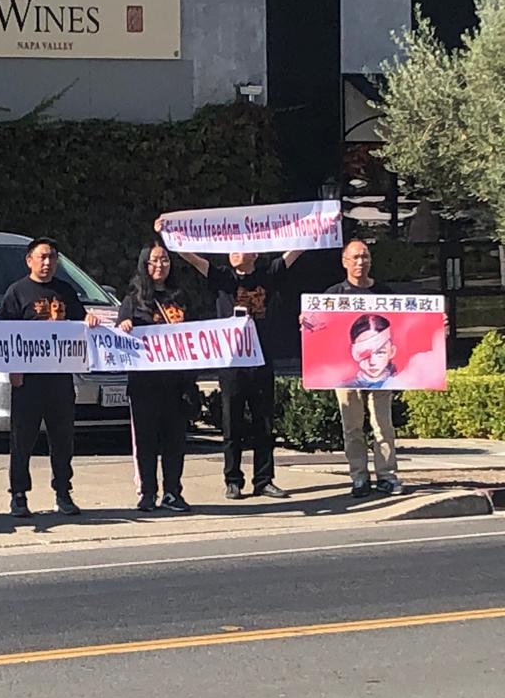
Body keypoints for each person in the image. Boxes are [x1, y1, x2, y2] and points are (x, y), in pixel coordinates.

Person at [156, 216, 301, 500]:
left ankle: (264, 479)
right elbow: (193, 259)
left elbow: (295, 251)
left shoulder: (268, 274)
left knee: (264, 422)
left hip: (261, 361)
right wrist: (168, 235)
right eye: (232, 248)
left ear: (255, 253)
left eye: (242, 247)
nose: (235, 252)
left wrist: (319, 225)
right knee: (232, 423)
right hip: (232, 363)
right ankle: (233, 479)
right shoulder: (223, 278)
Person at [0, 237, 104, 518]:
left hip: (60, 380)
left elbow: (81, 325)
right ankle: (19, 495)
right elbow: (1, 335)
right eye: (42, 257)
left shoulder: (65, 291)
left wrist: (89, 320)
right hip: (28, 381)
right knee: (22, 441)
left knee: (63, 439)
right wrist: (13, 369)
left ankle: (63, 491)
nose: (47, 263)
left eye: (52, 258)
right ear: (29, 260)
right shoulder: (17, 292)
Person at [310, 240, 403, 498]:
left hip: (384, 378)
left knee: (382, 424)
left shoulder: (385, 293)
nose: (360, 262)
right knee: (351, 427)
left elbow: (409, 321)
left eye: (365, 257)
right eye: (355, 257)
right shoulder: (332, 295)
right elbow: (317, 330)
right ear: (344, 261)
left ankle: (387, 476)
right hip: (344, 374)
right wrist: (307, 323)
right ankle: (359, 477)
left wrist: (437, 322)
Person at [116, 241, 194, 513]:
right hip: (144, 385)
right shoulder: (133, 300)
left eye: (164, 261)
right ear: (144, 265)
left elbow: (197, 333)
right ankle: (148, 491)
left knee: (174, 441)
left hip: (176, 383)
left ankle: (173, 492)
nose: (159, 266)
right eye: (154, 261)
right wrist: (124, 325)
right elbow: (118, 333)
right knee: (146, 441)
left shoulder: (180, 296)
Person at [344, 314, 397, 389]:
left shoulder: (403, 381)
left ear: (392, 351)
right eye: (364, 354)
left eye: (380, 352)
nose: (372, 362)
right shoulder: (346, 387)